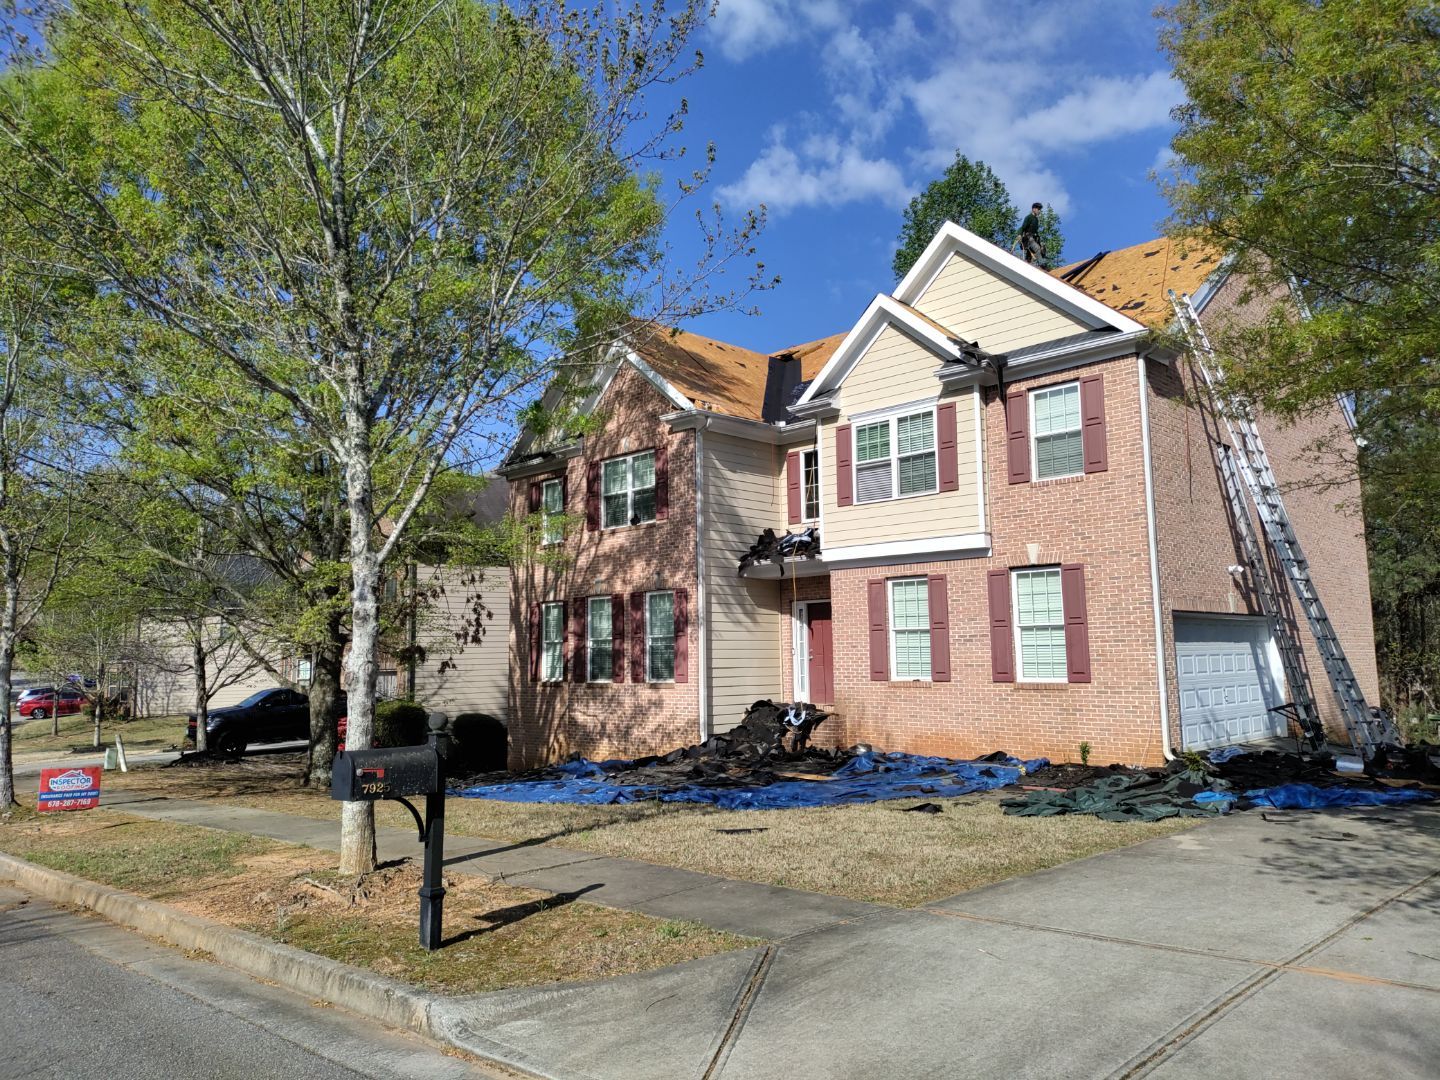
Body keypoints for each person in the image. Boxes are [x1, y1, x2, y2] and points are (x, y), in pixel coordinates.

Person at [1016, 202, 1046, 266]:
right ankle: (1042, 264)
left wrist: (1040, 242)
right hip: (1028, 238)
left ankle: (1027, 264)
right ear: (1034, 209)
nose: (1039, 211)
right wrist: (1019, 235)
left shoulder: (1036, 220)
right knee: (1037, 248)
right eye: (1038, 209)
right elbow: (1022, 227)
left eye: (1040, 210)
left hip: (1034, 238)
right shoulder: (1029, 217)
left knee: (1042, 250)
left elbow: (1036, 232)